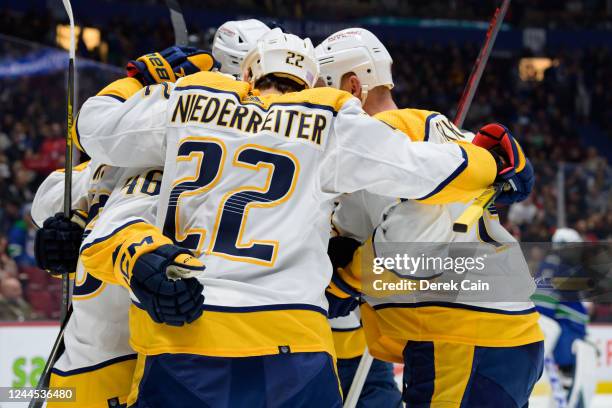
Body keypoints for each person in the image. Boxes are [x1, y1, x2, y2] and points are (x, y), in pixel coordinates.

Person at [76, 28, 522, 406]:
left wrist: (139, 81)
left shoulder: (191, 100)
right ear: (311, 81)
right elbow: (425, 171)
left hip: (185, 331)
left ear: (248, 73)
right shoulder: (331, 118)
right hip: (293, 344)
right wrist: (492, 164)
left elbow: (92, 127)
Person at [317, 28, 543, 408]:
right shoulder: (448, 135)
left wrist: (349, 275)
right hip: (492, 335)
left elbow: (416, 246)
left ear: (353, 85)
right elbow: (355, 231)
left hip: (462, 337)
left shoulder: (379, 142)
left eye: (326, 89)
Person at [32, 46, 218, 407]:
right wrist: (64, 234)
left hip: (145, 355)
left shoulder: (170, 163)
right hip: (91, 356)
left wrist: (131, 84)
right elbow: (48, 204)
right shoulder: (107, 165)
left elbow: (90, 128)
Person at [533, 227, 597, 408]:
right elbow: (544, 303)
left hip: (565, 333)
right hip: (568, 336)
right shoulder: (561, 267)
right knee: (573, 381)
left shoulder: (557, 266)